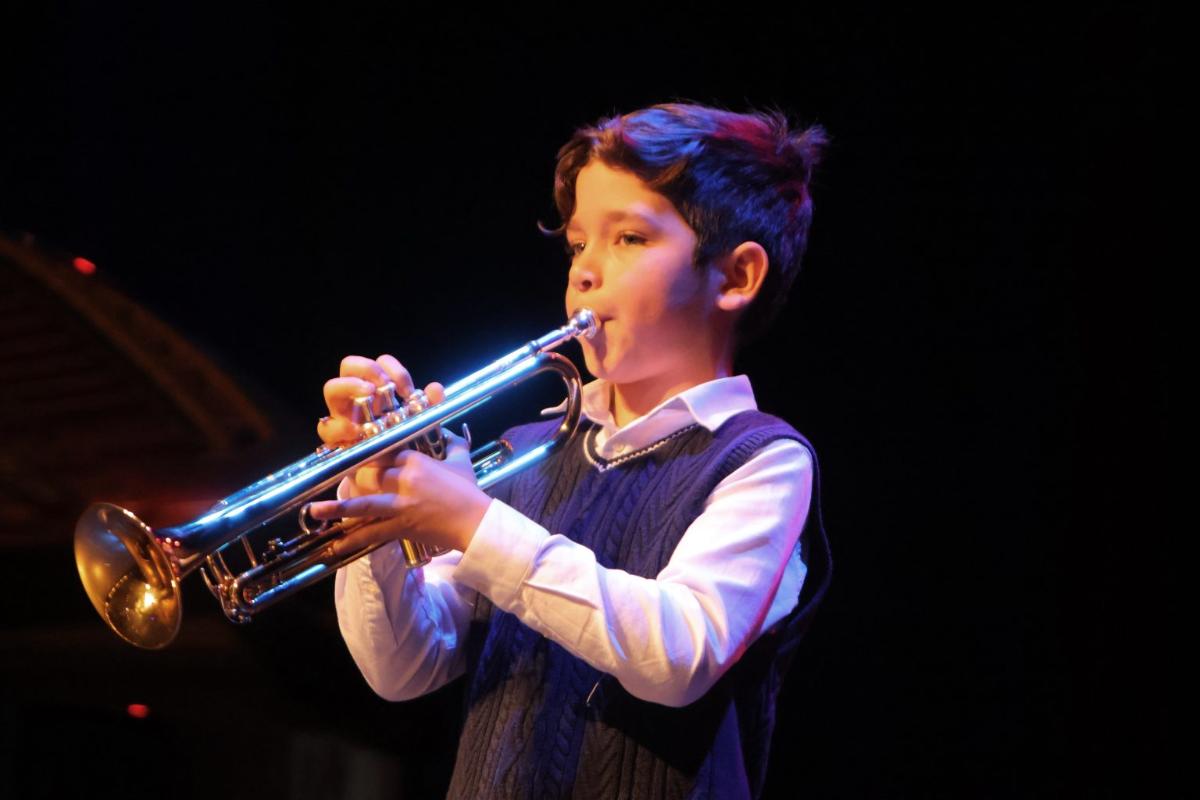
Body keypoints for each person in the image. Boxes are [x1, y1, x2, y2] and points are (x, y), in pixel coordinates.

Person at [308, 101, 833, 799]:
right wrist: (379, 496)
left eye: (629, 239)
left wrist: (470, 521)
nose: (585, 271)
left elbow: (679, 653)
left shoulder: (762, 461)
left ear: (736, 277)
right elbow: (403, 669)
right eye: (578, 244)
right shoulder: (531, 450)